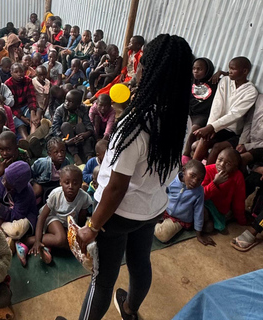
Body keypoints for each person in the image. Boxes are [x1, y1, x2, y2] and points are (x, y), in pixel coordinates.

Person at [76, 34, 193, 320]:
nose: (136, 70)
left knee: (102, 281)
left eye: (142, 65)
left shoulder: (134, 124)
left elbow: (116, 187)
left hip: (116, 215)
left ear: (148, 71)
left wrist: (93, 226)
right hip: (151, 208)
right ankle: (130, 310)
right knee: (141, 262)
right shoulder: (182, 120)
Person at [193, 57, 259, 164]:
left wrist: (212, 127)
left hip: (233, 131)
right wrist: (211, 127)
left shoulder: (251, 91)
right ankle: (192, 168)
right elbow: (217, 105)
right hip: (218, 127)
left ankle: (206, 176)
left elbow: (235, 114)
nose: (230, 71)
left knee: (216, 147)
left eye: (233, 69)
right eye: (229, 68)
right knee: (204, 139)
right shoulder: (225, 81)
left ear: (245, 71)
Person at [22, 165, 91, 265]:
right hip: (52, 217)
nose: (71, 186)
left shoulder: (84, 197)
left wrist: (77, 234)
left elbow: (81, 219)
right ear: (60, 182)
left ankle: (47, 247)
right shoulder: (56, 194)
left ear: (81, 184)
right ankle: (29, 240)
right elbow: (42, 217)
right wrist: (37, 240)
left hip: (67, 223)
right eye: (67, 183)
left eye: (75, 183)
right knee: (60, 239)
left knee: (72, 245)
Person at [154, 160, 215, 245]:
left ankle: (155, 224)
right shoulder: (171, 180)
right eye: (192, 176)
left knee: (162, 235)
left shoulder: (199, 191)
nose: (195, 181)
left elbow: (198, 212)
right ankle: (156, 222)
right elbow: (160, 194)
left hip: (179, 219)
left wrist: (199, 235)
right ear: (184, 171)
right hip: (165, 210)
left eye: (199, 180)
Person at [0, 161, 38, 255]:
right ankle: (7, 237)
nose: (3, 182)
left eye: (6, 182)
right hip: (5, 215)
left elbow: (16, 216)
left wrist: (0, 207)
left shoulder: (26, 194)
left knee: (16, 231)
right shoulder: (4, 180)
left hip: (22, 218)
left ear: (15, 187)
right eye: (4, 178)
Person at [181, 58, 217, 165]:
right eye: (194, 69)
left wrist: (220, 73)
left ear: (208, 70)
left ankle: (186, 155)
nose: (196, 71)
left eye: (199, 69)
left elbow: (230, 77)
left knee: (194, 129)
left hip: (201, 115)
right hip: (190, 112)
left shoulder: (213, 82)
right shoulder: (191, 81)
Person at [202, 148, 246, 232]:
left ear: (235, 168)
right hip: (205, 205)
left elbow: (239, 201)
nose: (221, 164)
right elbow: (199, 195)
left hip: (220, 210)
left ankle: (212, 221)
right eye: (220, 160)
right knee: (203, 214)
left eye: (228, 164)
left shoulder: (237, 177)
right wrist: (214, 183)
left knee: (209, 228)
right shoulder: (207, 170)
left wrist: (241, 220)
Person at [88, 36, 144, 103]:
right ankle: (93, 98)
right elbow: (128, 66)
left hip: (132, 78)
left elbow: (138, 72)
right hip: (125, 75)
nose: (128, 44)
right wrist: (123, 72)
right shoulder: (130, 53)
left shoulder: (140, 56)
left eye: (131, 43)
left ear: (138, 45)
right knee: (110, 86)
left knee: (116, 89)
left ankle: (105, 102)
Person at [236, 75, 263, 166]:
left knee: (242, 159)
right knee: (225, 152)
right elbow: (249, 122)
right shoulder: (260, 99)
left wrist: (249, 146)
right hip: (247, 140)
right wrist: (242, 142)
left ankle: (240, 179)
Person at [52, 89, 95, 165]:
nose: (67, 103)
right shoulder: (60, 110)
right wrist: (65, 141)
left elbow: (89, 126)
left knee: (80, 125)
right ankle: (75, 155)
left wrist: (85, 134)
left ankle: (89, 155)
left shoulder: (83, 108)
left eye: (70, 102)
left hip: (79, 136)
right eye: (66, 100)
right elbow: (55, 129)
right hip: (66, 136)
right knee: (65, 125)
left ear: (78, 105)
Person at [5, 63, 38, 140]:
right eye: (16, 72)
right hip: (14, 109)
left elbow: (31, 98)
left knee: (34, 120)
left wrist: (32, 114)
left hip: (25, 106)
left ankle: (31, 139)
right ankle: (26, 140)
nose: (19, 74)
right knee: (20, 125)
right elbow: (11, 105)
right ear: (11, 73)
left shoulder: (28, 81)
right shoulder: (7, 84)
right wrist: (22, 117)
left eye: (21, 71)